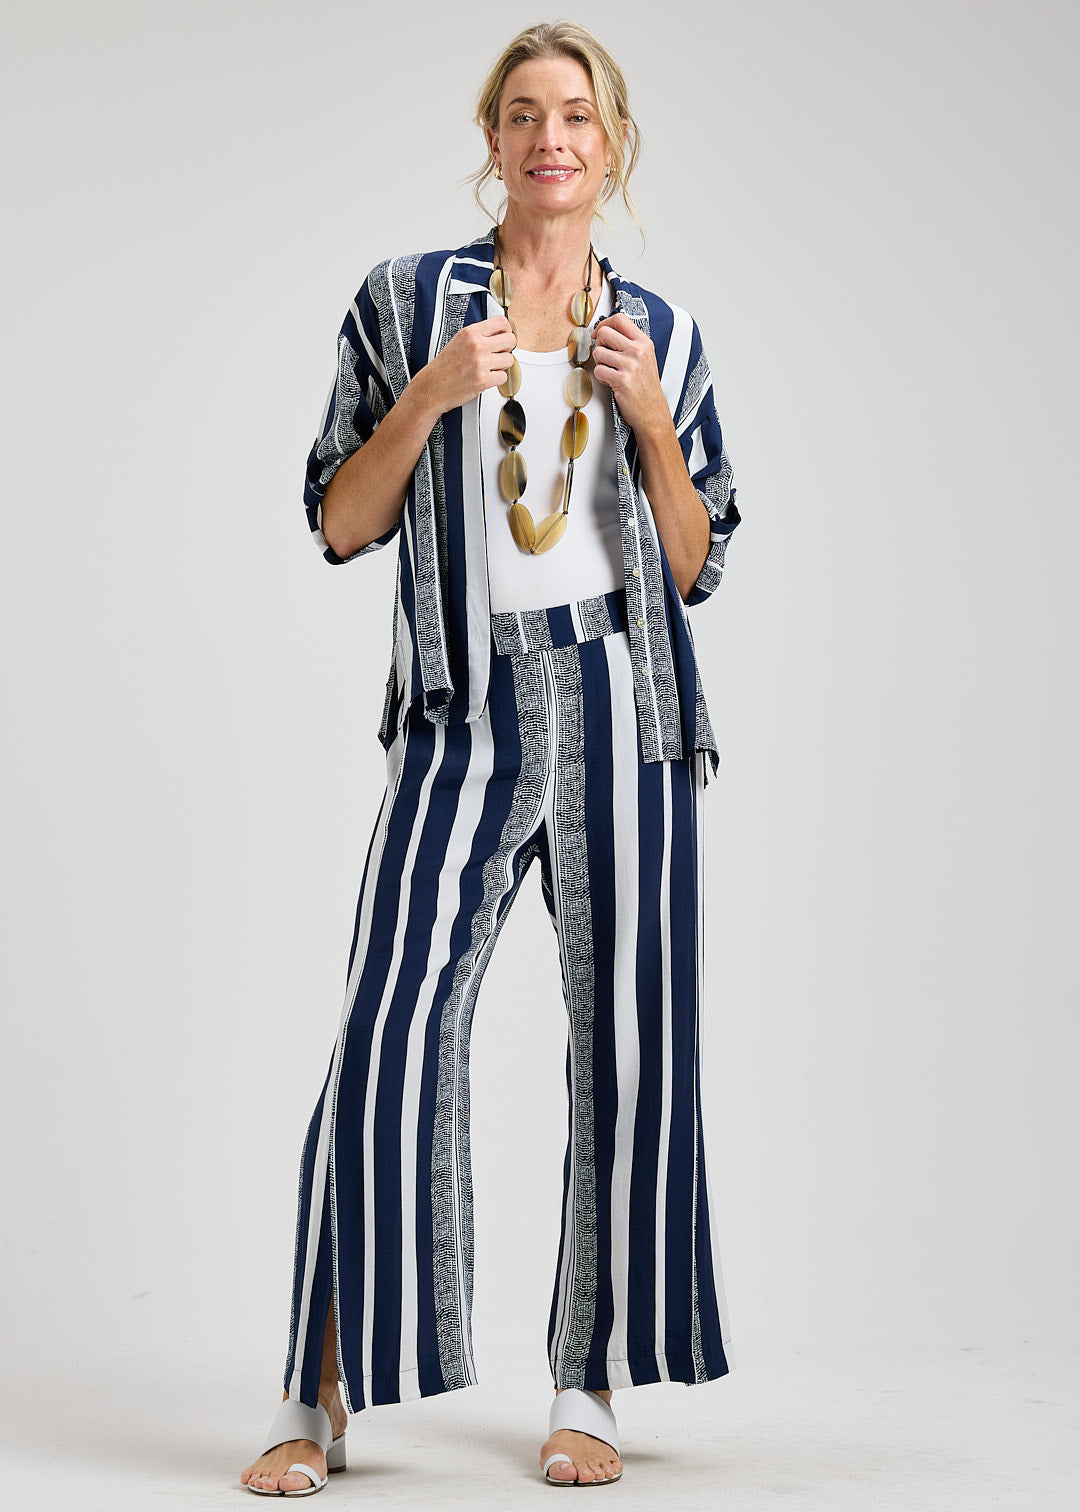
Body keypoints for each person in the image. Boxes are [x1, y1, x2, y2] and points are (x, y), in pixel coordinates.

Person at [240, 18, 741, 1497]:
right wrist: (429, 394)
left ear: (612, 143)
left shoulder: (667, 334)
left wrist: (648, 419)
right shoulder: (407, 305)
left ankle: (589, 1380)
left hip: (627, 702)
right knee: (387, 1029)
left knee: (631, 1046)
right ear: (492, 139)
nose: (550, 137)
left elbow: (700, 561)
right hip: (461, 706)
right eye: (524, 113)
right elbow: (339, 520)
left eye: (576, 114)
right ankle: (317, 1385)